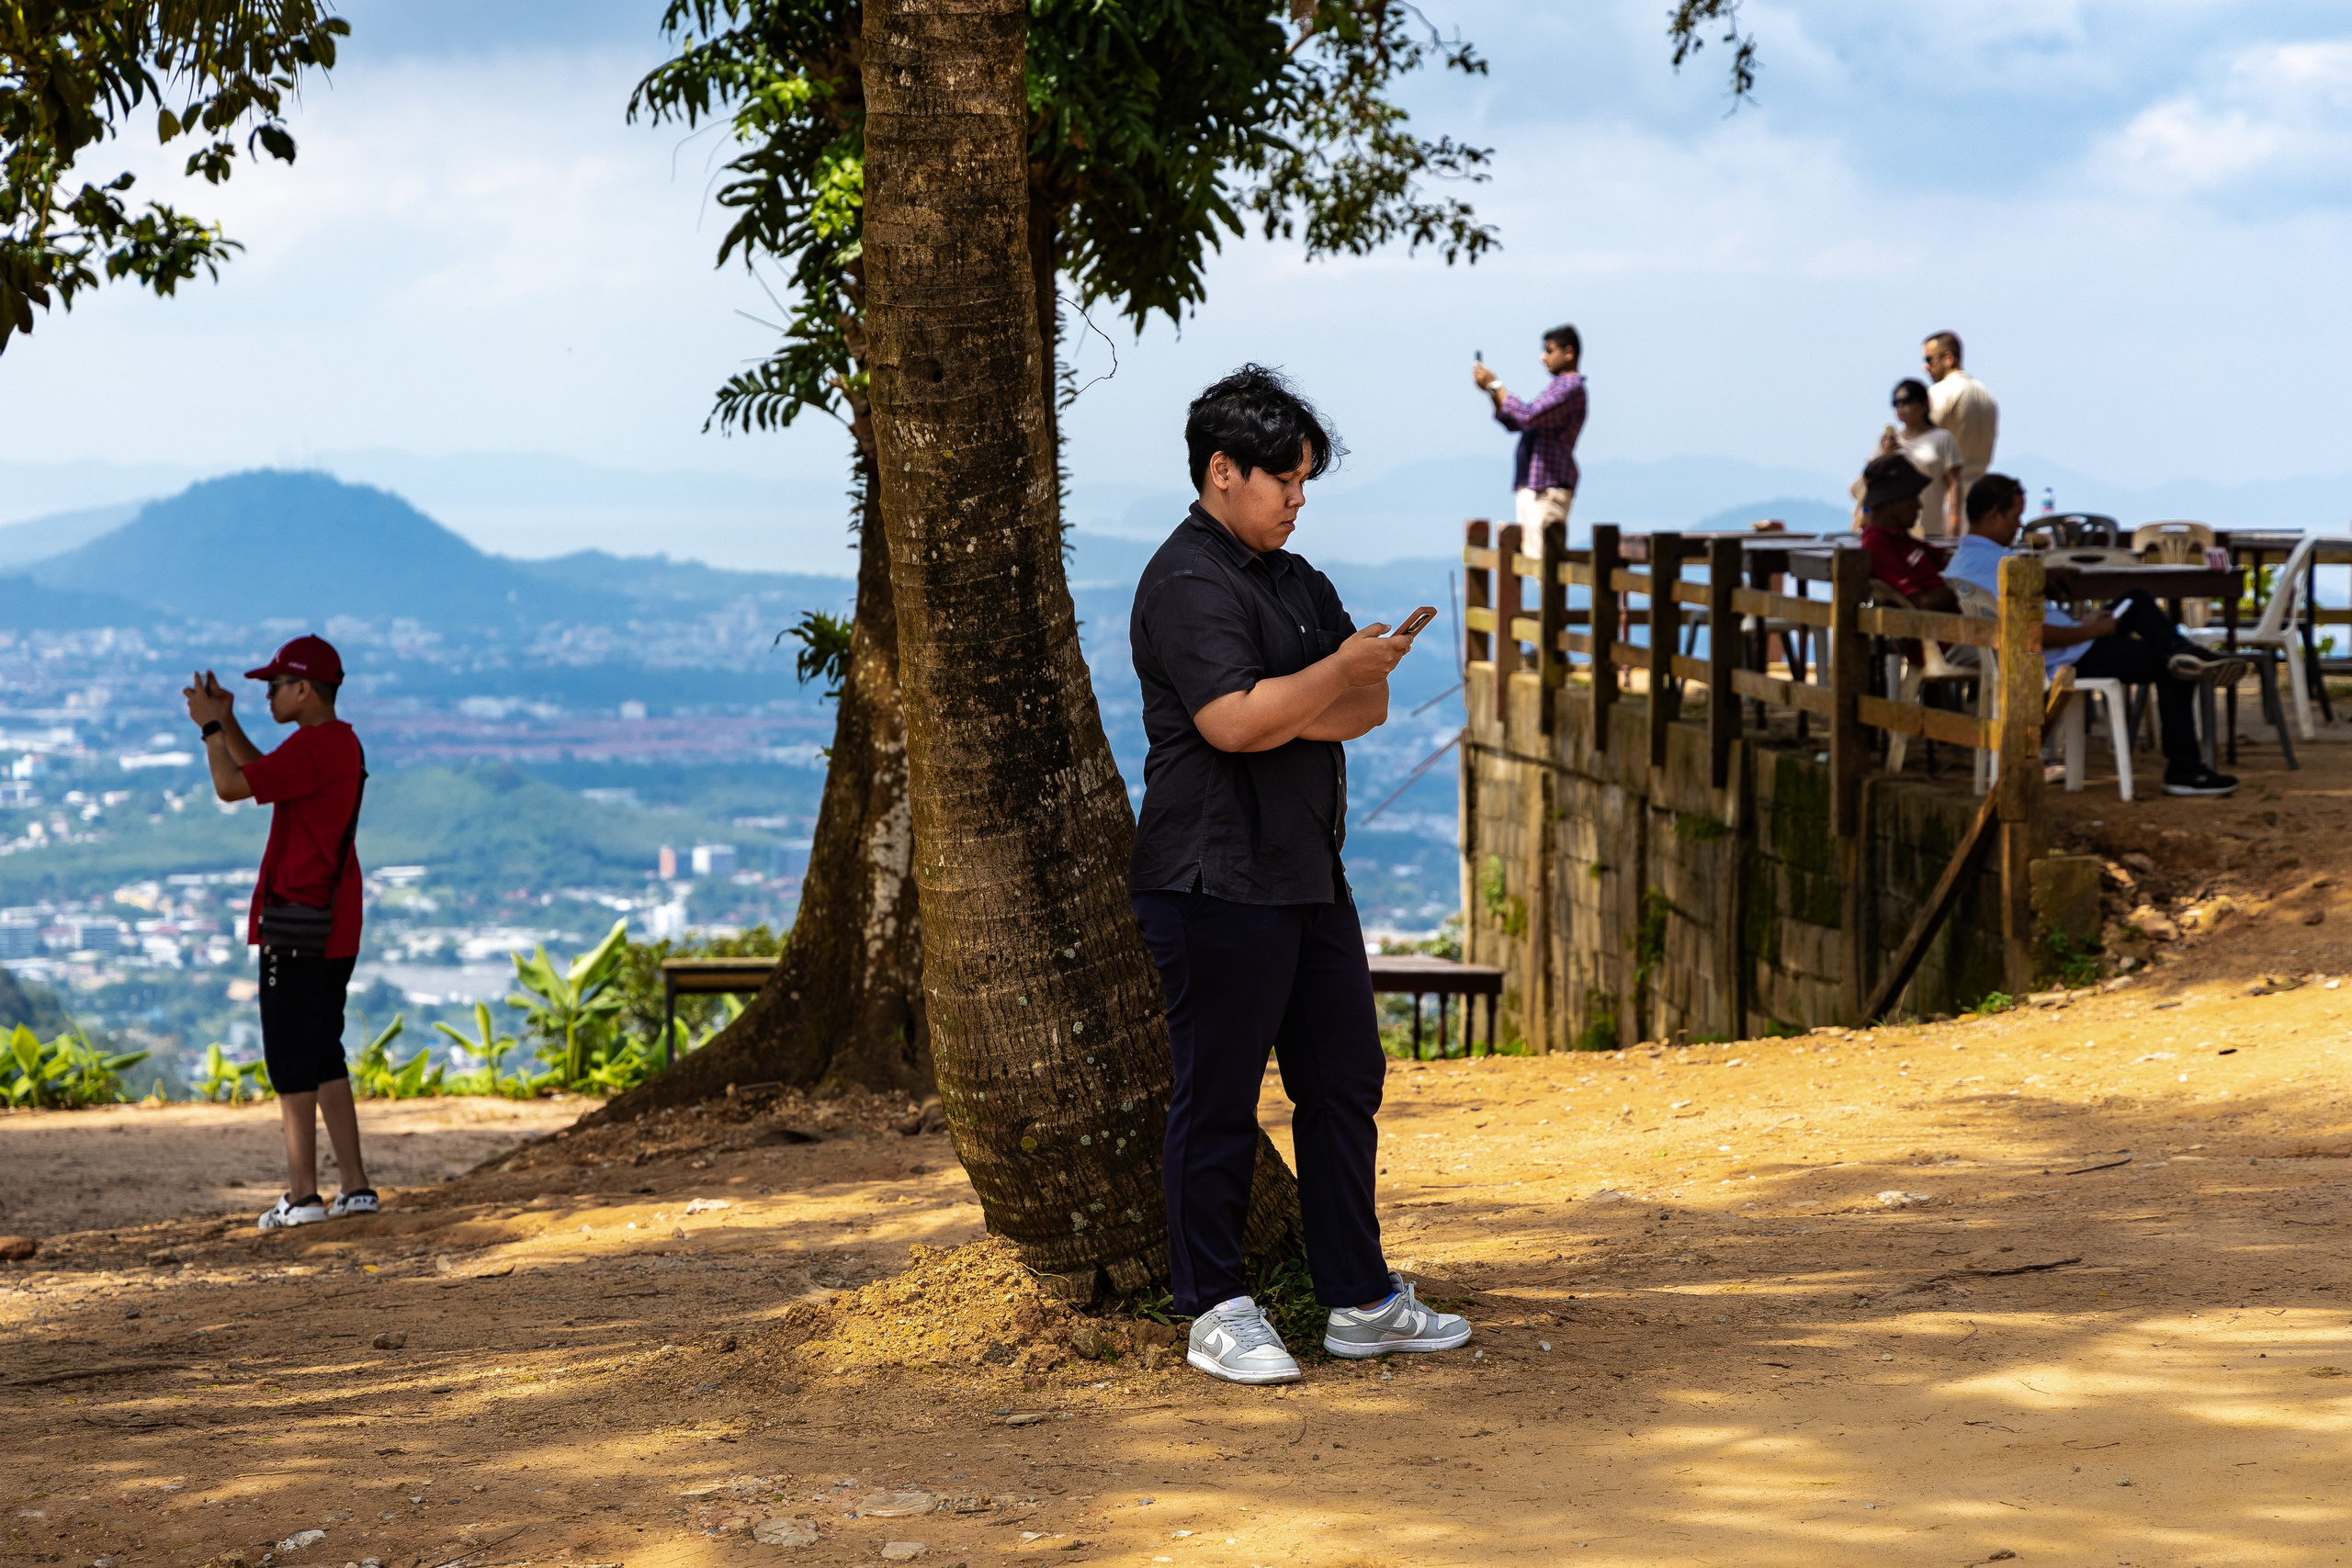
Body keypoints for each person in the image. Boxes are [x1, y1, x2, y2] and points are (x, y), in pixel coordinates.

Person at [1129, 365, 1472, 1385]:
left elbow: (1357, 715)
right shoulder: (1187, 580)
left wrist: (1314, 692)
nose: (1296, 497)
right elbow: (1230, 723)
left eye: (1305, 481)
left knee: (1341, 1082)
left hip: (1304, 871)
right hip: (1209, 875)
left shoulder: (1295, 578)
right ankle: (1215, 1307)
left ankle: (1359, 1298)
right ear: (1221, 470)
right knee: (1219, 1096)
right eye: (1282, 478)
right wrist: (1329, 679)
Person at [182, 636, 377, 1227]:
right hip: (333, 917)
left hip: (295, 919)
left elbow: (232, 786)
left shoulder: (314, 748)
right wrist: (229, 721)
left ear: (303, 690)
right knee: (322, 1051)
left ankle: (302, 1195)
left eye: (274, 686)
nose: (267, 694)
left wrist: (211, 731)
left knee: (291, 1056)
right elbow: (263, 771)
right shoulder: (334, 744)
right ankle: (355, 1187)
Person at [1945, 475, 2248, 798]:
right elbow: (2026, 634)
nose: (2019, 525)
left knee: (2136, 599)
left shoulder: (1966, 560)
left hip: (2069, 646)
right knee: (2170, 665)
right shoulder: (1995, 564)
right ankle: (2184, 768)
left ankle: (2188, 655)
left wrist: (2073, 615)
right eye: (2015, 516)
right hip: (2065, 658)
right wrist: (2086, 630)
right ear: (1993, 515)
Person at [1473, 323, 1587, 530]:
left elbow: (1528, 415)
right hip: (1535, 485)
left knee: (1539, 558)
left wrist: (1495, 385)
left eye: (1549, 350)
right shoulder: (1558, 387)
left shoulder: (1570, 387)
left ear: (1569, 352)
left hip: (1548, 488)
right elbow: (1515, 422)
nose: (1543, 358)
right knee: (1529, 558)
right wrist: (1492, 392)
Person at [1874, 378, 1964, 536]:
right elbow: (1872, 478)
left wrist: (1954, 521)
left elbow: (1954, 483)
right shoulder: (1889, 441)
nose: (1900, 407)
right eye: (1896, 403)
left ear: (1924, 404)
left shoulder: (1942, 438)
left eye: (1906, 401)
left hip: (1932, 527)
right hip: (1896, 530)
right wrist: (1885, 454)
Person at [1922, 332, 1998, 491]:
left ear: (1948, 358)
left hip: (1946, 496)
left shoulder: (1938, 394)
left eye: (1929, 359)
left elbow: (1921, 445)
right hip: (1979, 496)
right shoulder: (1987, 397)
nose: (1925, 367)